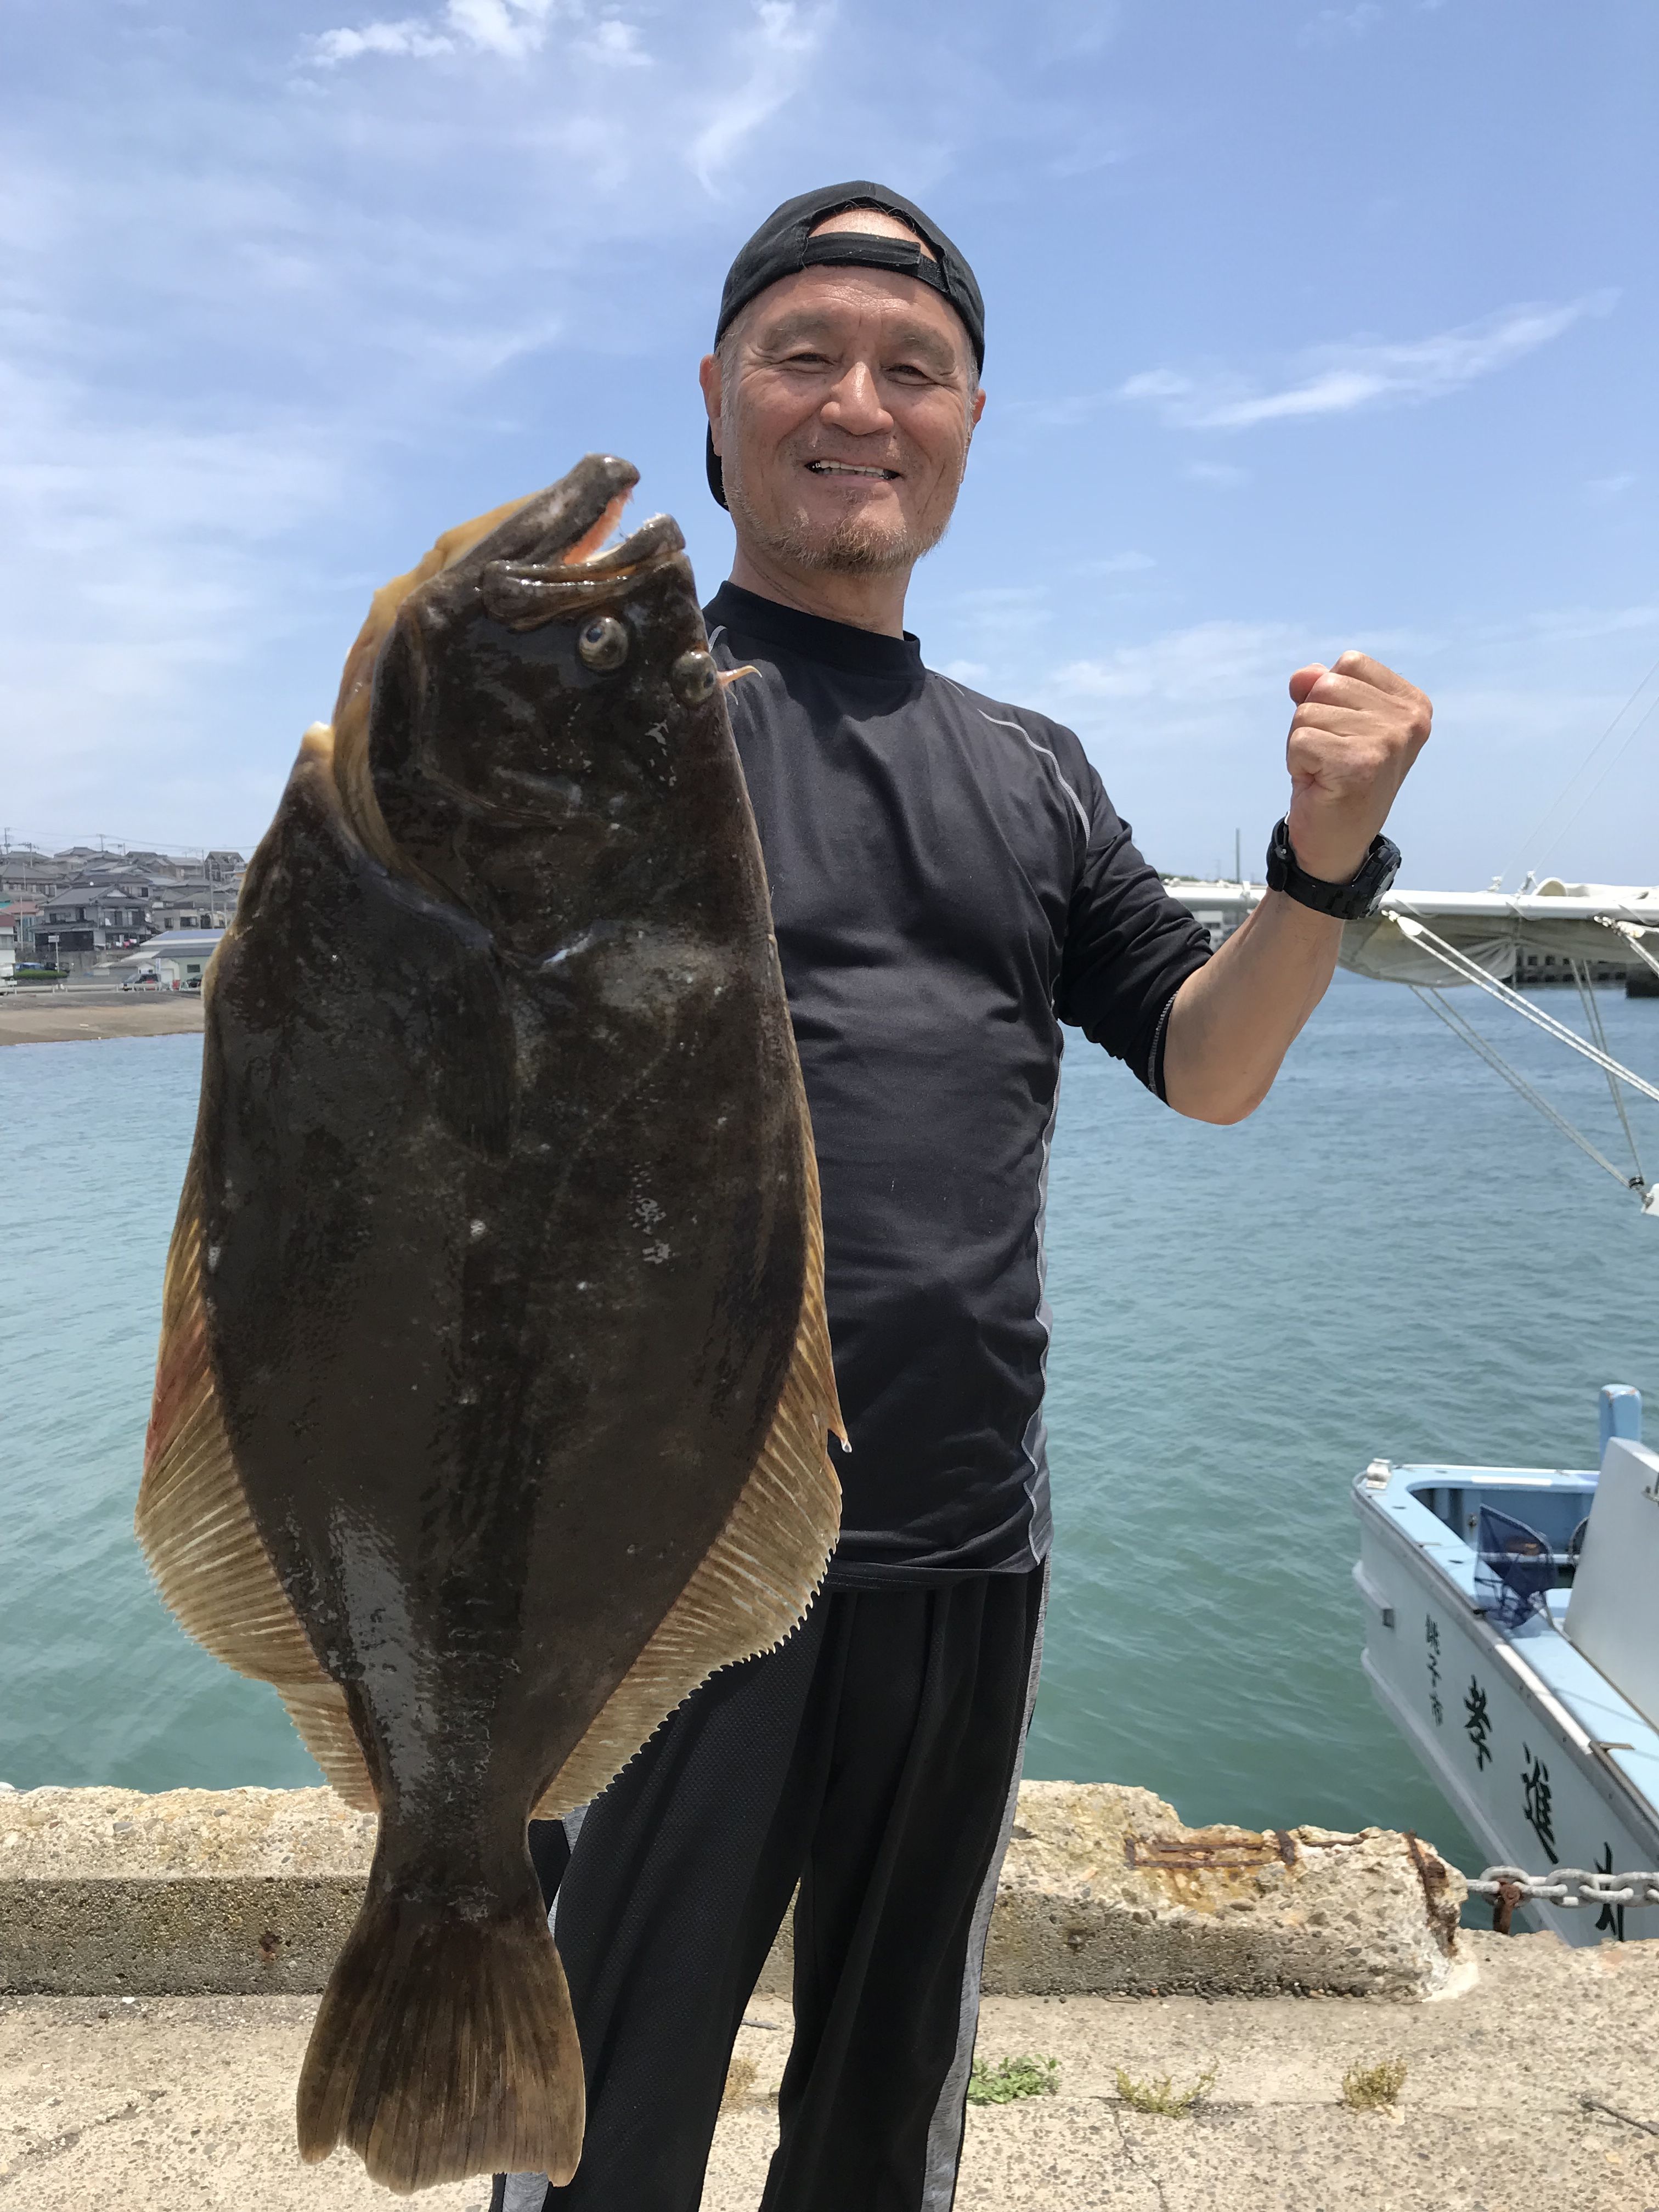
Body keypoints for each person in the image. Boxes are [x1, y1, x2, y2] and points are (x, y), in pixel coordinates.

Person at [493, 182, 1430, 2212]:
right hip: (656, 1562)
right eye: (805, 357)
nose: (860, 403)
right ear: (718, 402)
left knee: (888, 2112)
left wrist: (1325, 862)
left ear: (972, 424)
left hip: (964, 1535)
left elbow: (1208, 1063)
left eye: (911, 369)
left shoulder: (1034, 771)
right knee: (589, 2127)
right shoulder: (596, 726)